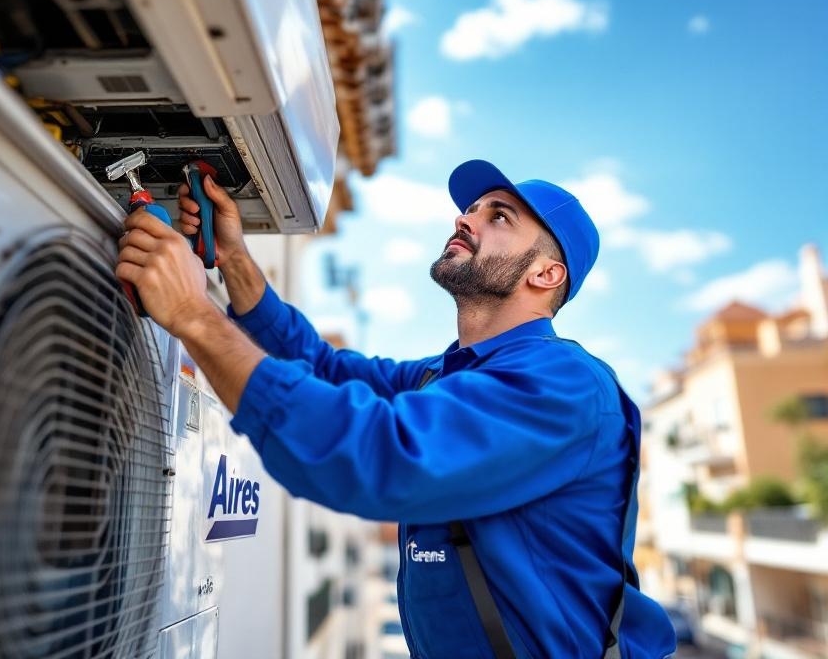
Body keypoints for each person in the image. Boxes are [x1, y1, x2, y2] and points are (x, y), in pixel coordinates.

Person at [116, 159, 676, 659]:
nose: (466, 219)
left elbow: (379, 456)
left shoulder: (566, 387)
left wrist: (193, 314)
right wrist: (235, 260)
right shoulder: (448, 375)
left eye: (499, 217)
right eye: (471, 209)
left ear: (545, 274)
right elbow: (323, 368)